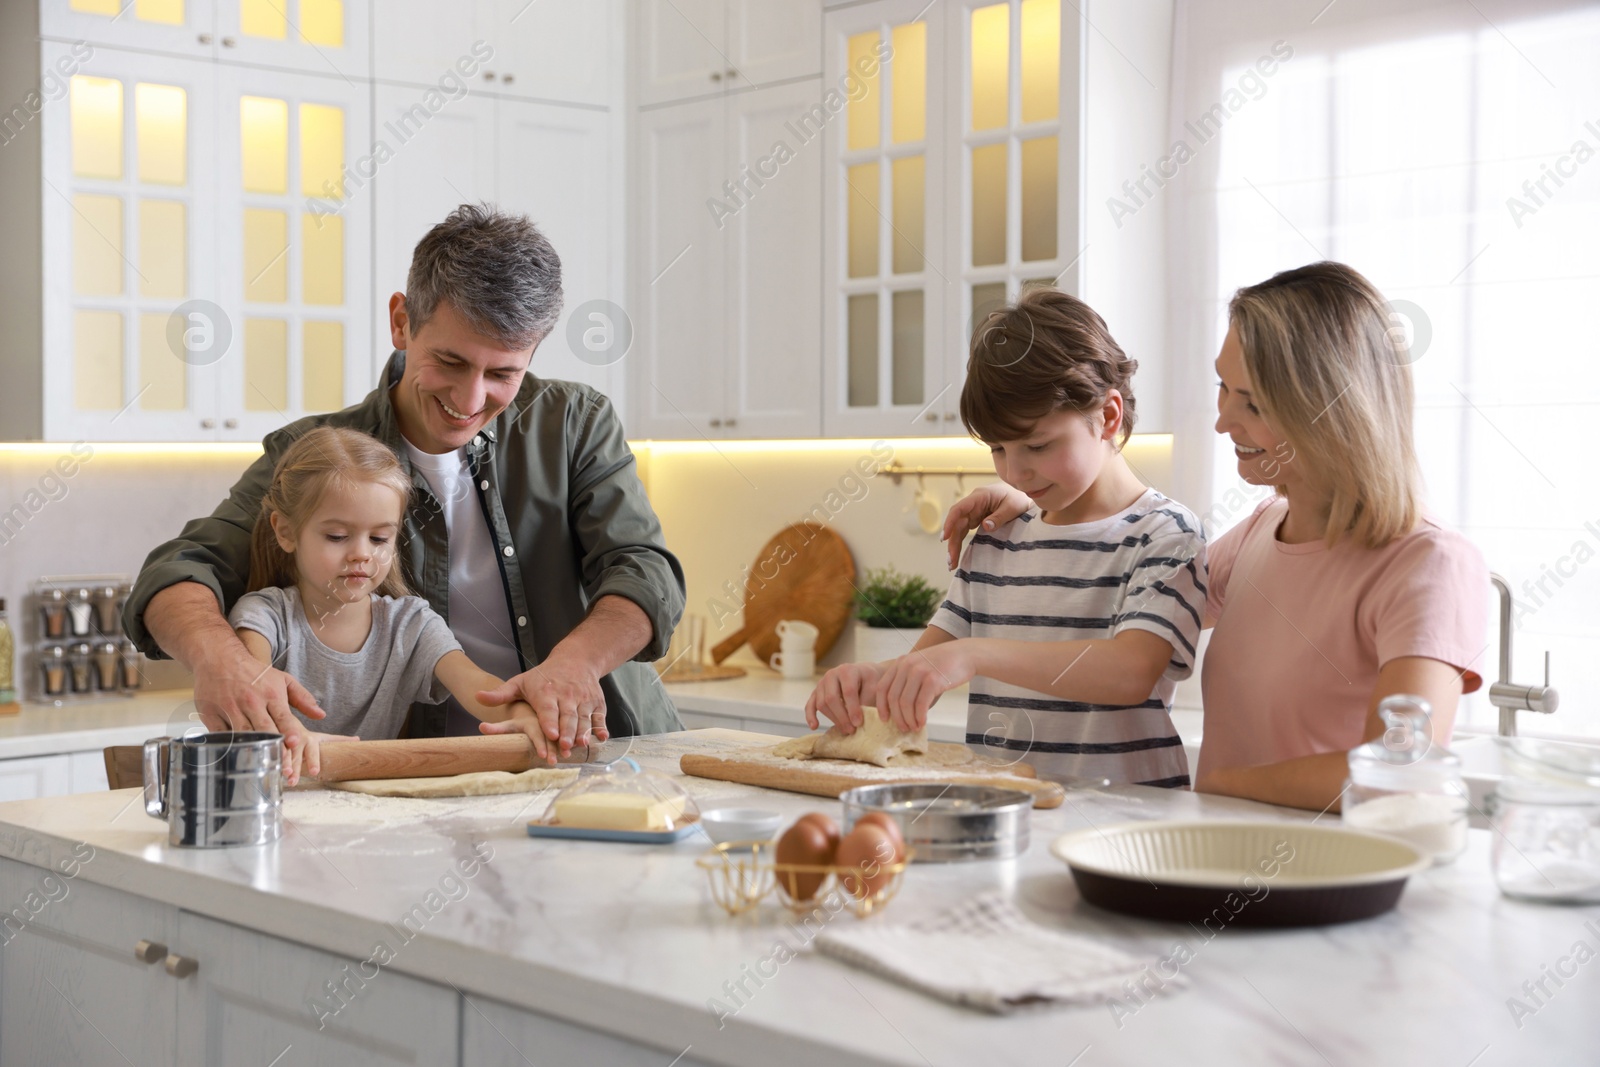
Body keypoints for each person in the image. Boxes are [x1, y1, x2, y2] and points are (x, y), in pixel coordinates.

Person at [125, 205, 686, 767]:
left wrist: (578, 662)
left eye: (502, 374)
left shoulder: (575, 422)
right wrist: (221, 662)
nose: (469, 402)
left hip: (601, 755)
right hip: (422, 779)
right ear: (401, 322)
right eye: (449, 361)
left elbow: (644, 568)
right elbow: (180, 570)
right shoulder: (318, 454)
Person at [942, 262, 1488, 811]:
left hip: (1328, 878)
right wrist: (1033, 504)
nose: (1223, 420)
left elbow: (1400, 769)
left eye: (1251, 401)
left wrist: (1225, 783)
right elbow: (1112, 601)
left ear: (1332, 409)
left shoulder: (1430, 564)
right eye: (1222, 388)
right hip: (1225, 861)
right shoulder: (1257, 538)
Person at [805, 287, 1206, 786]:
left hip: (1127, 834)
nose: (1016, 471)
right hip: (1009, 814)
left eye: (1037, 445)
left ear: (1107, 416)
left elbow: (1130, 672)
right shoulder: (998, 538)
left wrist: (974, 653)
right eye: (998, 448)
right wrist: (870, 680)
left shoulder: (1165, 534)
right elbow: (926, 665)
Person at [229, 427, 562, 784]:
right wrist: (293, 735)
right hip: (279, 801)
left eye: (379, 538)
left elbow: (477, 686)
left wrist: (521, 714)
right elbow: (257, 692)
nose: (361, 554)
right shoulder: (263, 617)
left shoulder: (411, 624)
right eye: (337, 536)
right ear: (285, 532)